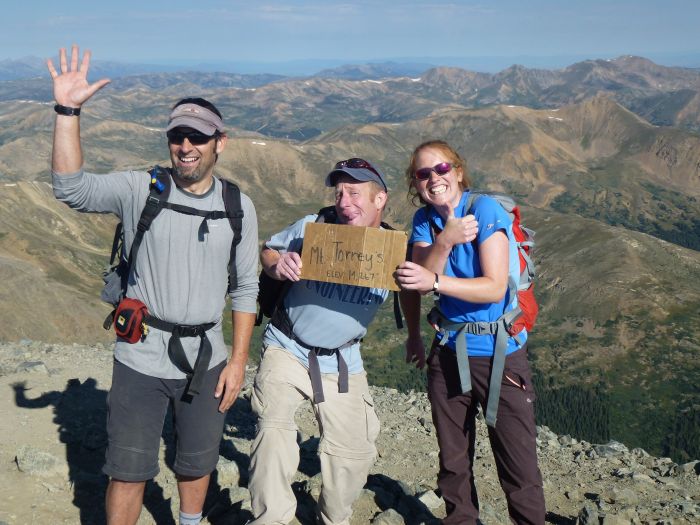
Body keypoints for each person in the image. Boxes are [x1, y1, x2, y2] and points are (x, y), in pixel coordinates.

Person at [47, 45, 259, 525]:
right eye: (177, 136)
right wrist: (67, 111)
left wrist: (240, 361)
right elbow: (70, 189)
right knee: (128, 470)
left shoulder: (238, 206)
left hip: (208, 359)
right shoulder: (140, 188)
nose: (186, 146)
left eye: (198, 137)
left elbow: (247, 288)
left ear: (219, 142)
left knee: (196, 463)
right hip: (140, 356)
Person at [247, 158, 418, 525]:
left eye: (354, 192)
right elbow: (267, 251)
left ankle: (333, 518)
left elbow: (421, 283)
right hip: (287, 346)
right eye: (339, 192)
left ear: (380, 199)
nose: (344, 201)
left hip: (342, 360)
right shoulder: (313, 226)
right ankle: (269, 519)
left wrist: (417, 335)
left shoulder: (393, 249)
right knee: (274, 432)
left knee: (353, 453)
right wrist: (277, 264)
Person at [396, 140, 545, 525]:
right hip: (447, 351)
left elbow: (494, 287)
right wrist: (445, 239)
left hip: (499, 353)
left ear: (458, 171)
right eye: (423, 173)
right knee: (453, 459)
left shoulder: (485, 210)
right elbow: (416, 279)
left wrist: (436, 280)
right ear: (416, 183)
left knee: (518, 464)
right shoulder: (424, 222)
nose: (434, 178)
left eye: (442, 169)